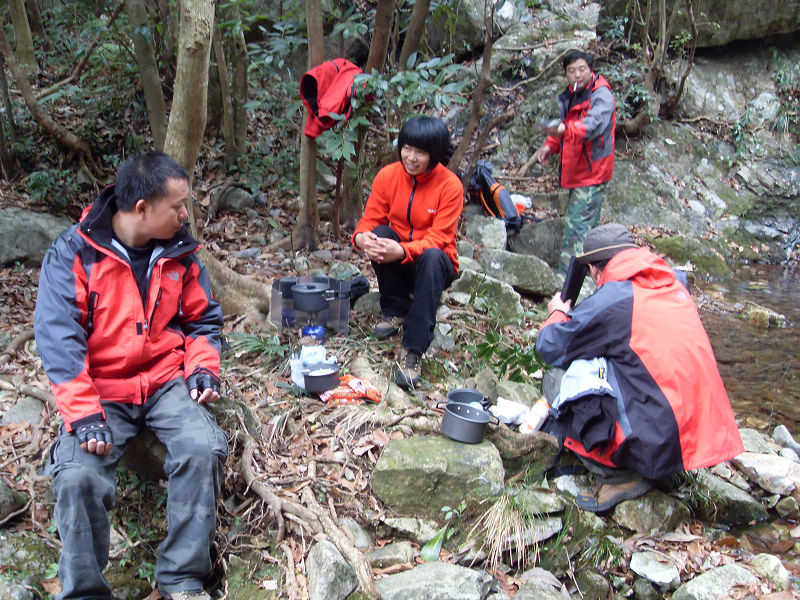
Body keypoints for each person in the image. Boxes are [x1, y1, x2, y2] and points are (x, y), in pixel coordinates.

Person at [34, 151, 228, 600]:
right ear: (142, 208)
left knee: (203, 447)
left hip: (165, 382)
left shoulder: (181, 251)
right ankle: (84, 592)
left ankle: (181, 578)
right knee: (77, 475)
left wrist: (202, 369)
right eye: (178, 206)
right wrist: (84, 415)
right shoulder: (74, 253)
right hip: (102, 391)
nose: (185, 214)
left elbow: (202, 322)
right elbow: (60, 341)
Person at [536, 223, 743, 512]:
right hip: (693, 436)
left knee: (557, 379)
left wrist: (557, 312)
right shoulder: (673, 283)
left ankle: (621, 473)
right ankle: (657, 464)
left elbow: (549, 347)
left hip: (656, 442)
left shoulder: (613, 299)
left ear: (594, 270)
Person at [352, 115, 463, 388]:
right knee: (379, 234)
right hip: (399, 256)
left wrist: (402, 251)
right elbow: (370, 220)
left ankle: (413, 347)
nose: (411, 158)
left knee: (433, 256)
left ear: (435, 154)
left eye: (421, 152)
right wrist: (361, 238)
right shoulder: (388, 176)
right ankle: (395, 309)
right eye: (407, 149)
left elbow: (439, 239)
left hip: (435, 265)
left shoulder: (450, 186)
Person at [534, 49, 616, 274]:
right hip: (578, 169)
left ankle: (566, 284)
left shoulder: (601, 95)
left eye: (582, 69)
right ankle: (592, 277)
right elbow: (565, 123)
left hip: (592, 172)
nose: (577, 75)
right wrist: (550, 146)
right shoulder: (572, 93)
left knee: (576, 232)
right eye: (572, 71)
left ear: (591, 70)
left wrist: (564, 130)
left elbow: (592, 125)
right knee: (588, 230)